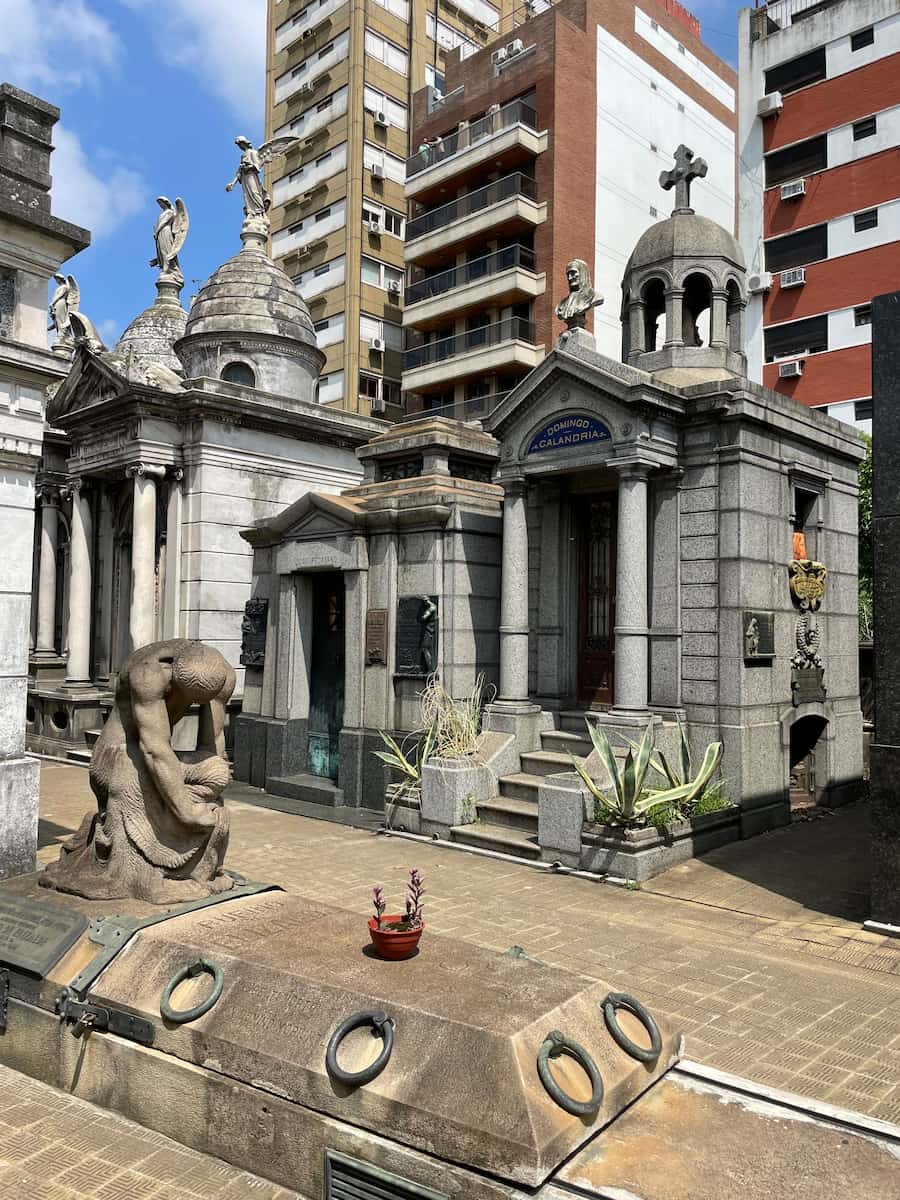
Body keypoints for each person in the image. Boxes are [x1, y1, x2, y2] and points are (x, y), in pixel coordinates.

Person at [41, 639, 237, 903]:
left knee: (216, 771)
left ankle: (198, 869)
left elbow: (211, 746)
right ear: (171, 672)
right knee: (130, 774)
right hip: (118, 755)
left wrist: (210, 779)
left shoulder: (223, 676)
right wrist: (185, 809)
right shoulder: (147, 671)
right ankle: (142, 879)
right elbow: (153, 749)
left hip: (162, 755)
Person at [556, 259, 603, 330]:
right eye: (568, 274)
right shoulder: (562, 304)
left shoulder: (594, 296)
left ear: (582, 273)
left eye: (573, 273)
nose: (569, 278)